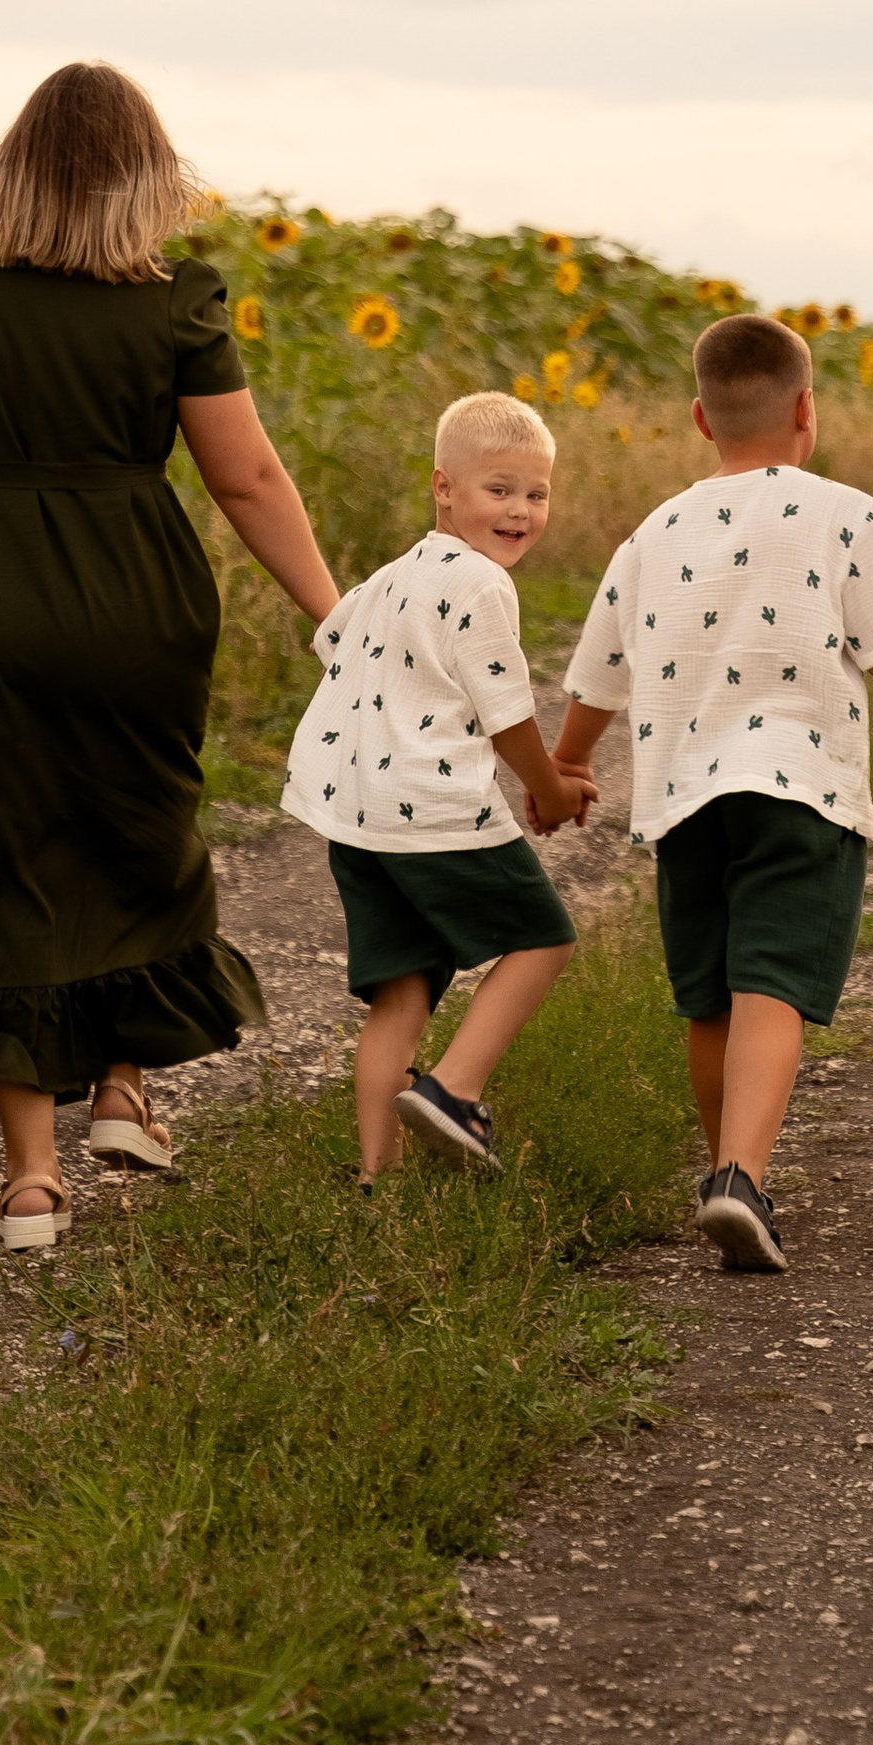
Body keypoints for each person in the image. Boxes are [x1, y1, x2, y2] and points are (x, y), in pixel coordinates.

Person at [0, 63, 338, 1252]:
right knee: (134, 836)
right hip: (134, 603)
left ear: (12, 167)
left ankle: (32, 1182)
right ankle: (122, 1091)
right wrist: (331, 614)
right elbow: (247, 476)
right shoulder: (175, 300)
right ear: (147, 177)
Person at [553, 316, 873, 1272]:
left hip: (683, 797)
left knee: (710, 997)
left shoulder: (652, 532)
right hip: (800, 787)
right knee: (771, 981)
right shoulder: (843, 513)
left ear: (702, 419)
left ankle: (727, 1175)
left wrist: (570, 766)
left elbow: (598, 674)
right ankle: (739, 1179)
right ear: (807, 411)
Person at [284, 392, 592, 1183]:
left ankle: (378, 1179)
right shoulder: (480, 582)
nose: (520, 510)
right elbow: (507, 712)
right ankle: (453, 1090)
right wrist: (551, 788)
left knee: (402, 992)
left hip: (357, 816)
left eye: (537, 493)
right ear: (444, 488)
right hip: (430, 809)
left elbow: (336, 641)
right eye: (499, 489)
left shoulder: (395, 574)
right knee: (543, 939)